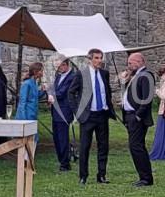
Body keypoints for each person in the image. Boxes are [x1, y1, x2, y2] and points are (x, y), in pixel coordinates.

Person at [75, 48, 115, 185]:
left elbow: (107, 92)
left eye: (100, 58)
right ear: (90, 59)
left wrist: (109, 106)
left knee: (103, 145)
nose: (99, 61)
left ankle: (101, 175)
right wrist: (78, 111)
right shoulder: (81, 74)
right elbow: (71, 93)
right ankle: (83, 176)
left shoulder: (104, 74)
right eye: (96, 58)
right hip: (88, 116)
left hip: (102, 115)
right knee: (84, 146)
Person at [120, 52, 156, 187]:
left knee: (136, 146)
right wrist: (125, 81)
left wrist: (138, 115)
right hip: (129, 115)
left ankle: (146, 178)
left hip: (137, 117)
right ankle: (144, 176)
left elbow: (147, 98)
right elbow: (128, 94)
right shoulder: (135, 76)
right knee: (135, 146)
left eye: (130, 63)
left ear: (139, 62)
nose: (128, 65)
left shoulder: (146, 75)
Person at [47, 56, 81, 172]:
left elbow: (63, 92)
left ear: (66, 64)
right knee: (56, 137)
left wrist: (51, 96)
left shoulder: (72, 77)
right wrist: (50, 93)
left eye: (61, 65)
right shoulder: (58, 76)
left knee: (62, 138)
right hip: (55, 110)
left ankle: (65, 164)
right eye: (58, 66)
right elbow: (53, 89)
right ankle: (61, 160)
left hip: (64, 111)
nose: (59, 68)